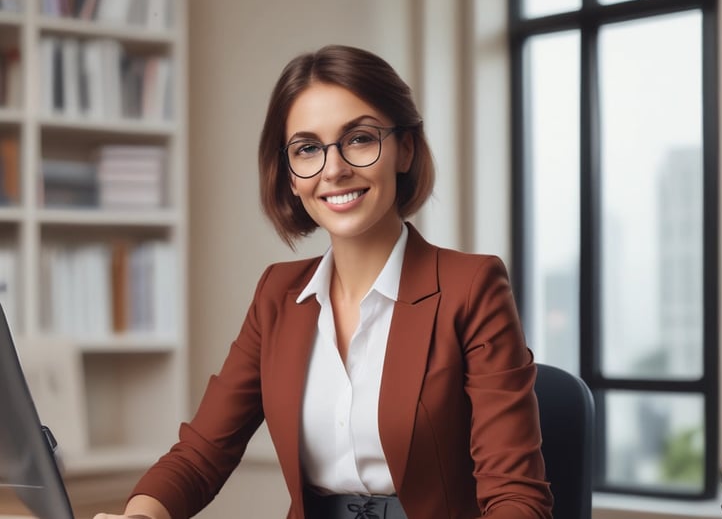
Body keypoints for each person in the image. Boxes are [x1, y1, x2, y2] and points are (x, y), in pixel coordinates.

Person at [94, 45, 553, 519]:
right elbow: (200, 455)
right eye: (308, 148)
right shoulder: (278, 295)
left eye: (359, 138)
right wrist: (142, 516)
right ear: (291, 175)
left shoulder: (471, 287)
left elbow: (517, 499)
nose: (333, 169)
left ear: (405, 148)